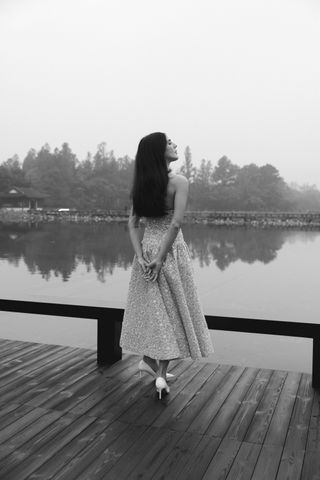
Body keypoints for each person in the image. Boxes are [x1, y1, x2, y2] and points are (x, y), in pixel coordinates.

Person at [119, 132, 214, 400]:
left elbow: (132, 224)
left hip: (146, 250)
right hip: (169, 252)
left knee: (156, 309)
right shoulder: (179, 182)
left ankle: (150, 362)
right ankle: (160, 373)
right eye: (169, 142)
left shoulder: (141, 185)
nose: (174, 144)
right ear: (159, 151)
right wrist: (160, 258)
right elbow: (175, 223)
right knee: (171, 309)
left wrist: (140, 256)